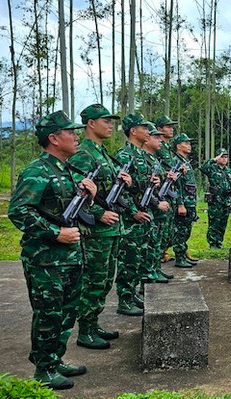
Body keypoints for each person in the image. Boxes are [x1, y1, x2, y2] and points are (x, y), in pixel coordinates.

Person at [8, 110, 97, 390]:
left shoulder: (68, 170)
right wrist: (54, 233)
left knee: (67, 312)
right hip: (45, 260)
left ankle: (55, 358)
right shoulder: (38, 170)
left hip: (70, 256)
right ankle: (43, 370)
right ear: (54, 138)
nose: (76, 136)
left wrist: (90, 198)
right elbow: (19, 211)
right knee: (48, 314)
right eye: (70, 132)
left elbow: (72, 212)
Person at [67, 104, 130, 349]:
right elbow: (76, 193)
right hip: (95, 231)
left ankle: (93, 324)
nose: (111, 125)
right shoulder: (84, 154)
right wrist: (98, 212)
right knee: (93, 281)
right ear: (91, 123)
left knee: (104, 281)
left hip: (111, 230)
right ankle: (85, 330)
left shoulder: (103, 153)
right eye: (106, 120)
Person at [115, 112, 163, 316]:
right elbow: (119, 191)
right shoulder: (124, 155)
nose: (148, 131)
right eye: (144, 128)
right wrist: (133, 212)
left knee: (139, 258)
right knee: (129, 258)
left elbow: (141, 186)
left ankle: (132, 292)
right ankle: (124, 299)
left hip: (144, 214)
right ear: (133, 131)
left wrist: (155, 184)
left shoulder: (143, 156)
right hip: (130, 218)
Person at [140, 124, 174, 282]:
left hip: (158, 206)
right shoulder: (142, 158)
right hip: (148, 208)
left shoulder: (153, 159)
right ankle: (150, 272)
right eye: (156, 137)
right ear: (146, 140)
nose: (160, 140)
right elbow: (140, 188)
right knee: (149, 243)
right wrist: (156, 202)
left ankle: (156, 268)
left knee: (157, 240)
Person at [153, 115, 180, 271]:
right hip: (160, 194)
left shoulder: (168, 149)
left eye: (172, 126)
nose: (171, 128)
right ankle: (156, 261)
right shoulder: (158, 147)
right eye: (168, 126)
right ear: (159, 129)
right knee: (160, 231)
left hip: (169, 192)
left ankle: (160, 256)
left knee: (168, 231)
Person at [171, 133, 198, 267]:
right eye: (186, 143)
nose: (189, 145)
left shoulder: (185, 162)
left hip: (190, 201)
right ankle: (179, 257)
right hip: (184, 203)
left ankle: (183, 254)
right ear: (178, 146)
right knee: (180, 231)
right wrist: (180, 204)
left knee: (186, 230)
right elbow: (177, 185)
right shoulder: (176, 162)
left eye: (189, 143)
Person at [200, 148, 231, 249]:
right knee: (214, 223)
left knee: (223, 223)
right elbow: (203, 168)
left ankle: (219, 242)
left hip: (226, 201)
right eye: (222, 157)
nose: (224, 159)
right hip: (215, 201)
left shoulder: (228, 170)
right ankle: (212, 243)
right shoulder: (212, 168)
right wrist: (214, 159)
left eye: (226, 157)